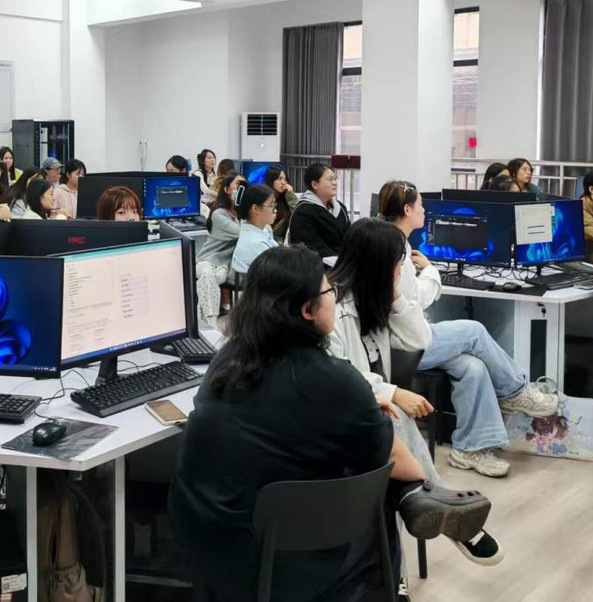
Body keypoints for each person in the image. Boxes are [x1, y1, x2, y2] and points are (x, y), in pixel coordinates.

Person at [169, 245, 493, 602]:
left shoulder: (226, 359)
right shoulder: (334, 379)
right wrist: (365, 411)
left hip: (207, 546)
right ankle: (404, 535)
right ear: (307, 310)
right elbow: (406, 466)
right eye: (328, 292)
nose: (334, 299)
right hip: (284, 563)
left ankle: (414, 503)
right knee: (380, 477)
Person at [328, 219, 504, 577]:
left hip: (371, 415)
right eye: (397, 265)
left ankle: (398, 575)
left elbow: (420, 340)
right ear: (377, 266)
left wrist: (396, 297)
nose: (401, 271)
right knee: (392, 421)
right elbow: (337, 375)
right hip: (340, 417)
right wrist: (392, 392)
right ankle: (440, 503)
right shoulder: (332, 308)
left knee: (395, 441)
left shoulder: (375, 301)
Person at [379, 180, 559, 477]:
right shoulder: (395, 249)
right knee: (474, 331)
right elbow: (415, 300)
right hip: (403, 345)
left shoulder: (397, 244)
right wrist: (432, 270)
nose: (425, 210)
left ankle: (470, 449)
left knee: (473, 366)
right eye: (421, 205)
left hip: (407, 335)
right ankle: (516, 391)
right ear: (408, 209)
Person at [195, 173, 243, 321]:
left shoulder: (242, 214)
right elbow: (241, 233)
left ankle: (211, 317)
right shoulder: (219, 214)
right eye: (238, 184)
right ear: (227, 190)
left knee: (219, 276)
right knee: (207, 275)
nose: (242, 188)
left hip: (225, 265)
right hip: (209, 260)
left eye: (245, 186)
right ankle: (210, 319)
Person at [287, 163, 350, 261]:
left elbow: (349, 237)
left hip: (341, 263)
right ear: (315, 184)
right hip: (316, 265)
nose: (335, 183)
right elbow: (313, 248)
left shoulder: (340, 207)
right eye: (330, 179)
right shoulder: (303, 212)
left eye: (335, 179)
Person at [230, 184, 278, 274]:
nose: (275, 210)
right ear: (255, 209)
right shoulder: (255, 244)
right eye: (271, 206)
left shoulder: (261, 232)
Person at [262, 164, 297, 243]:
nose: (283, 182)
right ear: (271, 180)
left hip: (280, 244)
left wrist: (290, 195)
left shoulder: (287, 199)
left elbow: (298, 215)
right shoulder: (262, 198)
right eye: (279, 179)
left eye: (285, 179)